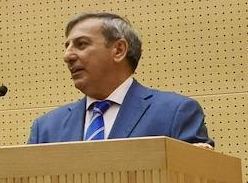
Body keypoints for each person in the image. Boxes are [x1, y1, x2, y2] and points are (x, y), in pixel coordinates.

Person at [28, 12, 213, 145]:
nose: (67, 56)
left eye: (81, 44)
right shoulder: (46, 128)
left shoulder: (174, 113)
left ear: (118, 50)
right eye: (67, 46)